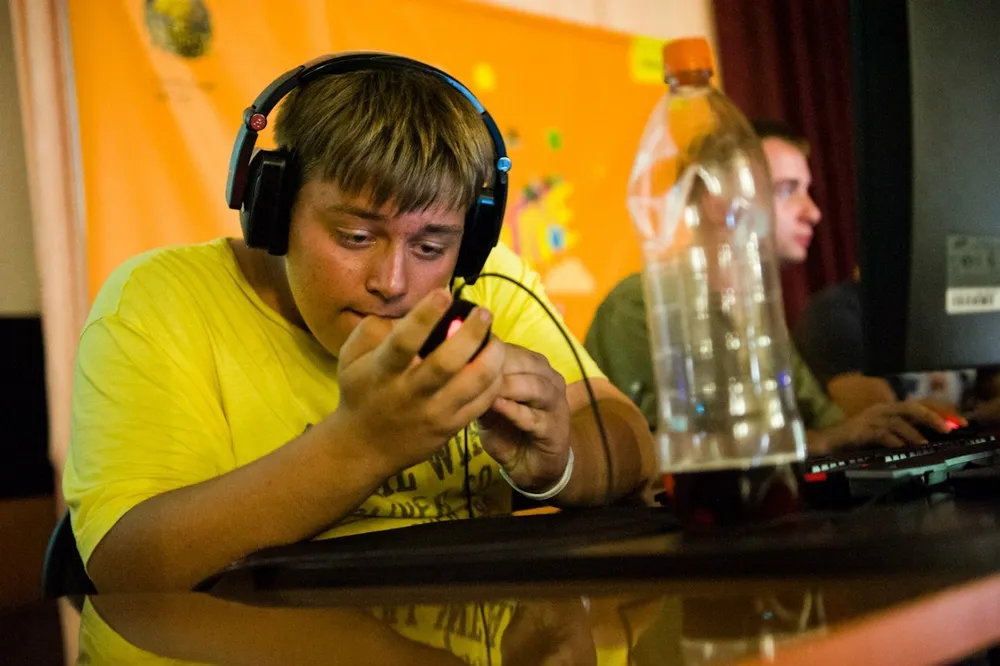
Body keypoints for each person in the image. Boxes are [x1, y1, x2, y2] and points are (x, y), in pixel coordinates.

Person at [63, 54, 655, 593]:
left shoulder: (485, 285)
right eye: (355, 236)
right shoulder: (162, 300)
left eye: (429, 247)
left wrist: (560, 463)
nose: (392, 282)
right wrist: (365, 445)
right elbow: (127, 566)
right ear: (274, 210)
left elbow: (629, 437)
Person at [585, 119, 958, 454]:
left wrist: (889, 426)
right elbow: (656, 450)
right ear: (718, 204)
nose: (813, 212)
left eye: (806, 190)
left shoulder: (757, 312)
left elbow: (827, 422)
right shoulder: (640, 306)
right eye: (786, 190)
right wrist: (827, 440)